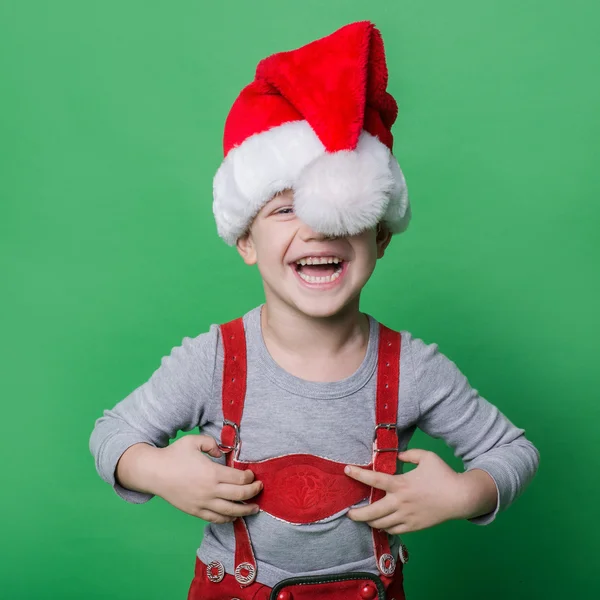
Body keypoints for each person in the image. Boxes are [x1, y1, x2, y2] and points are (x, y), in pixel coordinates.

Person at [89, 21, 540, 600]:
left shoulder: (414, 369)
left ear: (380, 237)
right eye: (284, 209)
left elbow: (514, 450)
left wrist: (465, 493)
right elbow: (112, 434)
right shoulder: (212, 361)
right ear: (245, 241)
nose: (318, 229)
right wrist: (156, 471)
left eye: (340, 211)